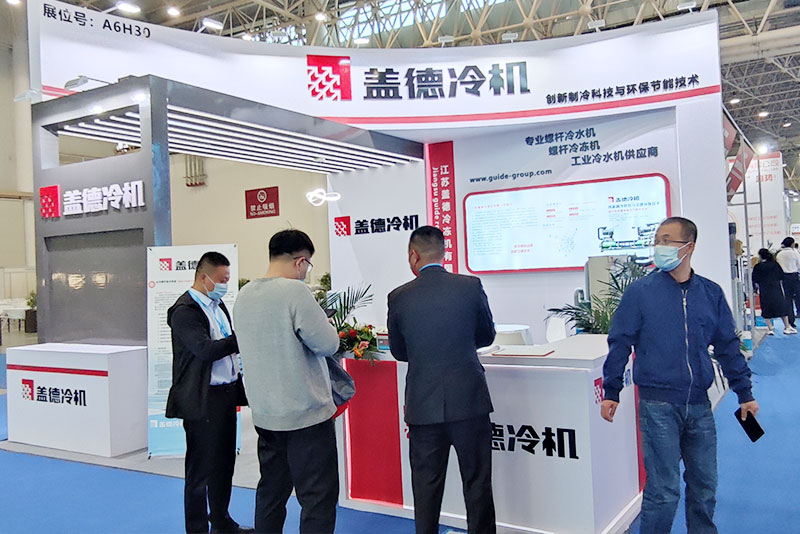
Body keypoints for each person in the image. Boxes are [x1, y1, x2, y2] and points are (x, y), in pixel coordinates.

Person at [601, 217, 758, 534]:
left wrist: (745, 393)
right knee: (663, 490)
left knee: (704, 485)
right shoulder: (641, 293)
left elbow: (727, 346)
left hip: (699, 404)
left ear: (689, 247)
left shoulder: (710, 293)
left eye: (667, 240)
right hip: (658, 405)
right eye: (657, 240)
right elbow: (620, 342)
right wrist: (611, 390)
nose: (659, 246)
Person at [387, 226, 497, 534]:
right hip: (470, 400)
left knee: (425, 488)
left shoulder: (399, 297)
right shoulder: (470, 286)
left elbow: (398, 351)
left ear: (414, 255)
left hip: (423, 405)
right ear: (443, 253)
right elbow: (487, 335)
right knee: (477, 483)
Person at [233, 229, 340, 534]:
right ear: (300, 261)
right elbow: (328, 344)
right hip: (306, 416)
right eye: (308, 265)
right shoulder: (295, 293)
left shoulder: (244, 295)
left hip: (266, 415)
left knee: (271, 491)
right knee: (317, 498)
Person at [166, 252, 252, 534]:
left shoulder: (217, 305)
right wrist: (242, 339)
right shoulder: (185, 311)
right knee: (200, 470)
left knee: (224, 463)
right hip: (202, 399)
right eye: (222, 280)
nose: (225, 285)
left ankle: (221, 521)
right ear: (204, 278)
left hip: (226, 395)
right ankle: (197, 529)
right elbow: (204, 350)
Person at [752, 248, 795, 335]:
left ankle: (770, 328)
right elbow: (781, 275)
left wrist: (755, 289)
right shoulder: (775, 264)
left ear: (760, 256)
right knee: (782, 307)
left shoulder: (758, 266)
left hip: (764, 289)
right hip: (776, 288)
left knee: (766, 307)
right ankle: (787, 326)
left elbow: (754, 278)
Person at [776, 237, 800, 327]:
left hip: (784, 277)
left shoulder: (779, 254)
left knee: (787, 298)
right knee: (798, 296)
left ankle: (790, 320)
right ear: (792, 244)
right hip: (794, 276)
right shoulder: (795, 253)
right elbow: (799, 265)